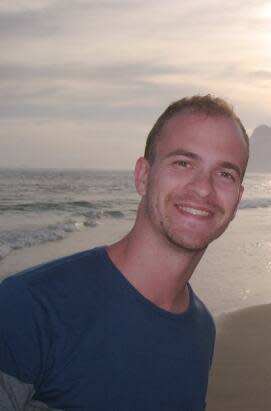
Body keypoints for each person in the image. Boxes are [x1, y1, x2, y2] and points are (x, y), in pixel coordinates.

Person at [0, 94, 249, 410]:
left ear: (238, 200)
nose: (203, 188)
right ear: (143, 176)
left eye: (225, 173)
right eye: (183, 163)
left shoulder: (201, 330)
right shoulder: (29, 308)